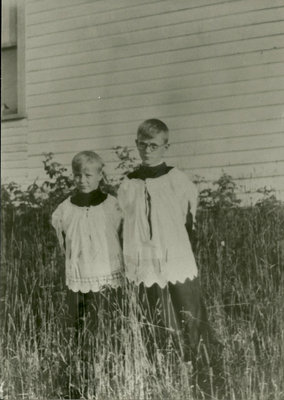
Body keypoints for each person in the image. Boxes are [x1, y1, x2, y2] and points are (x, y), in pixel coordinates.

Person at [117, 119, 219, 368]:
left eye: (153, 145)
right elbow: (124, 222)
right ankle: (162, 356)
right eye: (143, 144)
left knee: (185, 302)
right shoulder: (128, 183)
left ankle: (196, 356)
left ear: (166, 147)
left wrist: (181, 245)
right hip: (144, 255)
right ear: (136, 145)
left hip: (174, 252)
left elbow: (188, 217)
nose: (147, 150)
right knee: (154, 305)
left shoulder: (177, 179)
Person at [52, 150, 123, 332]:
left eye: (88, 175)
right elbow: (62, 239)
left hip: (106, 269)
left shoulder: (112, 205)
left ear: (100, 176)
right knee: (78, 318)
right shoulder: (65, 208)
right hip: (79, 271)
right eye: (77, 175)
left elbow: (120, 233)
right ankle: (81, 353)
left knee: (105, 314)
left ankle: (106, 350)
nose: (82, 180)